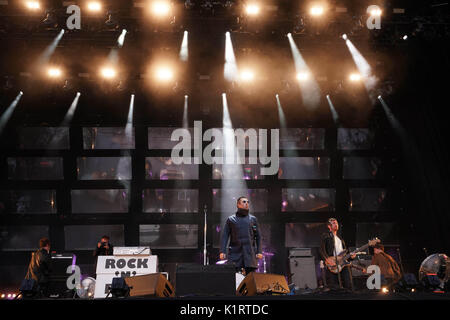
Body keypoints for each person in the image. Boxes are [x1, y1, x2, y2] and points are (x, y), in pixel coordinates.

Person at [220, 196, 263, 275]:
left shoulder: (253, 219)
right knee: (234, 277)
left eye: (247, 202)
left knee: (251, 279)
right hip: (235, 253)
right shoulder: (231, 219)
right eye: (244, 202)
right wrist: (222, 251)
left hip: (249, 253)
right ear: (238, 205)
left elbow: (258, 236)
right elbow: (225, 235)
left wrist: (259, 251)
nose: (246, 203)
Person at [320, 218, 355, 290]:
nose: (335, 224)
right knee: (334, 286)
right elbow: (321, 249)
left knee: (349, 283)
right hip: (333, 262)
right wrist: (327, 259)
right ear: (329, 226)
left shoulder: (340, 239)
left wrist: (351, 257)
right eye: (333, 223)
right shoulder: (326, 236)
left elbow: (345, 253)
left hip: (343, 262)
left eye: (336, 223)